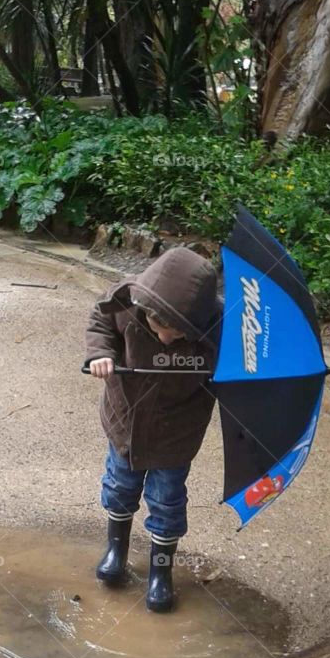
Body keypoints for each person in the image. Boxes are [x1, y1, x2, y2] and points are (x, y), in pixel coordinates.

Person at [85, 246, 220, 612]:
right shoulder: (126, 305)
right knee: (119, 485)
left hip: (175, 432)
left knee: (167, 501)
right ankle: (117, 549)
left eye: (177, 335)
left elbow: (236, 370)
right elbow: (100, 322)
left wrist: (236, 380)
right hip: (125, 422)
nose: (165, 339)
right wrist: (101, 354)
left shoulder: (217, 330)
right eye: (160, 329)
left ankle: (161, 571)